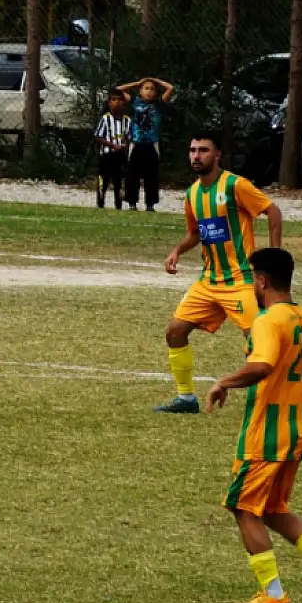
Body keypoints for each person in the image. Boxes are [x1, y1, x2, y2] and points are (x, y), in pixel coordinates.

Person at [203, 247, 302, 603]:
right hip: (299, 430)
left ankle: (273, 593)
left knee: (242, 507)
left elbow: (263, 365)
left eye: (254, 278)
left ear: (262, 281)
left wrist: (224, 382)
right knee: (271, 507)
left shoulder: (268, 321)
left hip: (267, 432)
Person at [156, 131, 284, 414]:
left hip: (241, 281)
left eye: (203, 150)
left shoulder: (236, 186)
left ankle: (271, 399)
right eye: (192, 150)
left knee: (259, 340)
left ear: (216, 155)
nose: (196, 156)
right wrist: (177, 251)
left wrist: (274, 258)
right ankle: (186, 399)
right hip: (209, 280)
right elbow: (195, 233)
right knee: (175, 332)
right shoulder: (191, 194)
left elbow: (273, 212)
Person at [115, 75, 174, 211]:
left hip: (152, 144)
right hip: (136, 143)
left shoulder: (159, 104)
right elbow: (118, 90)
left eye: (152, 89)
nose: (149, 91)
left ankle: (150, 204)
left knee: (151, 176)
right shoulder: (135, 102)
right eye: (146, 88)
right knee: (132, 174)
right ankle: (132, 202)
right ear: (140, 91)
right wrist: (137, 83)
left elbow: (170, 88)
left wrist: (156, 80)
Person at [93, 90, 131, 210]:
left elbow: (130, 137)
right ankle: (101, 200)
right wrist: (111, 145)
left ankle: (118, 204)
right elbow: (98, 136)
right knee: (103, 178)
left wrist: (126, 145)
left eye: (119, 100)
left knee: (118, 180)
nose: (117, 102)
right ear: (109, 103)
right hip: (107, 154)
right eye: (114, 100)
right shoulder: (105, 119)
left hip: (120, 155)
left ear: (123, 103)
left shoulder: (127, 121)